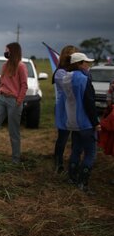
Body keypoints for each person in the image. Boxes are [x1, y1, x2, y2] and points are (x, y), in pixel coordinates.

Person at [61, 52, 100, 193]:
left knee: (76, 150)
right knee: (90, 153)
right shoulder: (84, 79)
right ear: (79, 64)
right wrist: (95, 122)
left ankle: (72, 178)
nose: (88, 65)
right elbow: (89, 103)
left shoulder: (66, 78)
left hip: (72, 121)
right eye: (85, 62)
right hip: (85, 122)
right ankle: (83, 183)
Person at [0, 42, 28, 163]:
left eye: (7, 50)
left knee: (13, 130)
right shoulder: (4, 66)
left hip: (14, 101)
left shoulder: (21, 66)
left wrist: (19, 101)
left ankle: (16, 158)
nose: (5, 52)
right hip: (1, 98)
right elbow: (1, 82)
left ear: (13, 52)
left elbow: (24, 85)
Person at [53, 45, 79, 173]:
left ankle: (74, 163)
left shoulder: (77, 72)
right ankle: (58, 163)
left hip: (76, 108)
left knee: (76, 137)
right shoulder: (60, 72)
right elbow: (69, 88)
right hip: (64, 107)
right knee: (63, 137)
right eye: (71, 56)